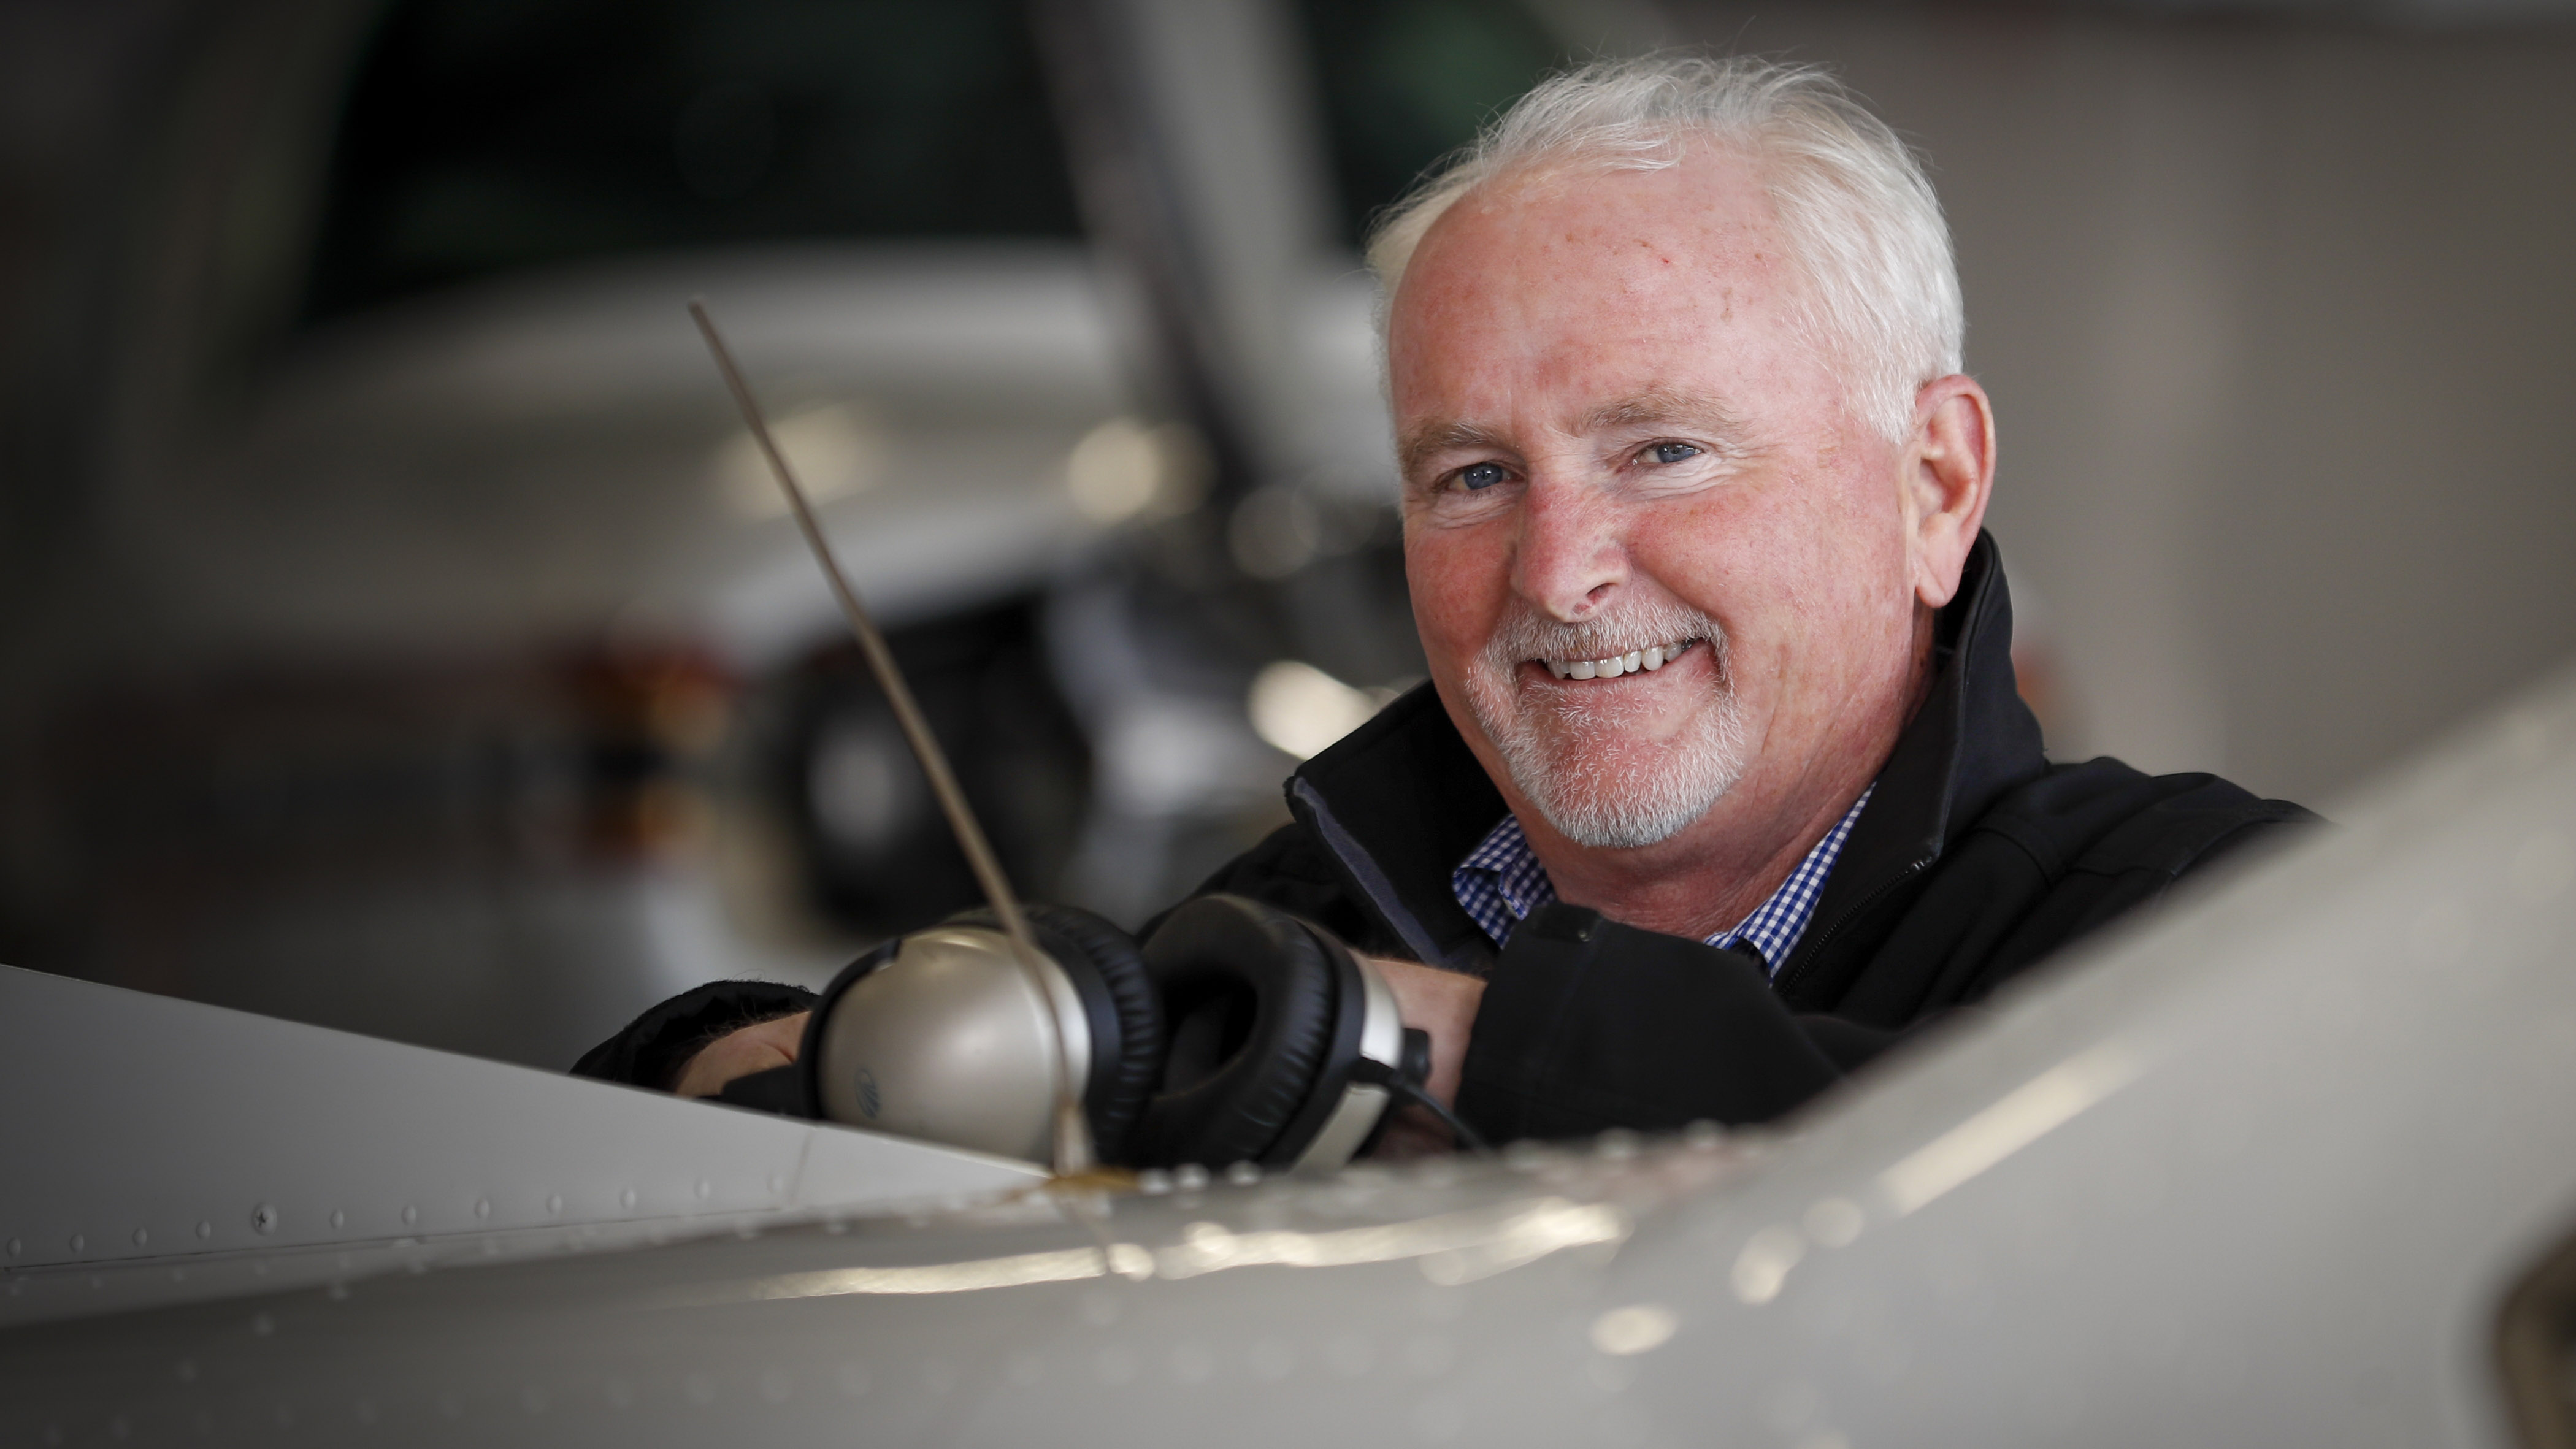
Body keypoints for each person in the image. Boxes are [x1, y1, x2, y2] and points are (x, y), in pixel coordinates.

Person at [578, 55, 2313, 1148]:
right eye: (1472, 477)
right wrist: (755, 1070)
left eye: (1664, 452)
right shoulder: (1289, 918)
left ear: (1933, 485)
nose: (1555, 574)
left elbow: (2061, 1214)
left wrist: (1409, 1040)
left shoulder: (2238, 924)